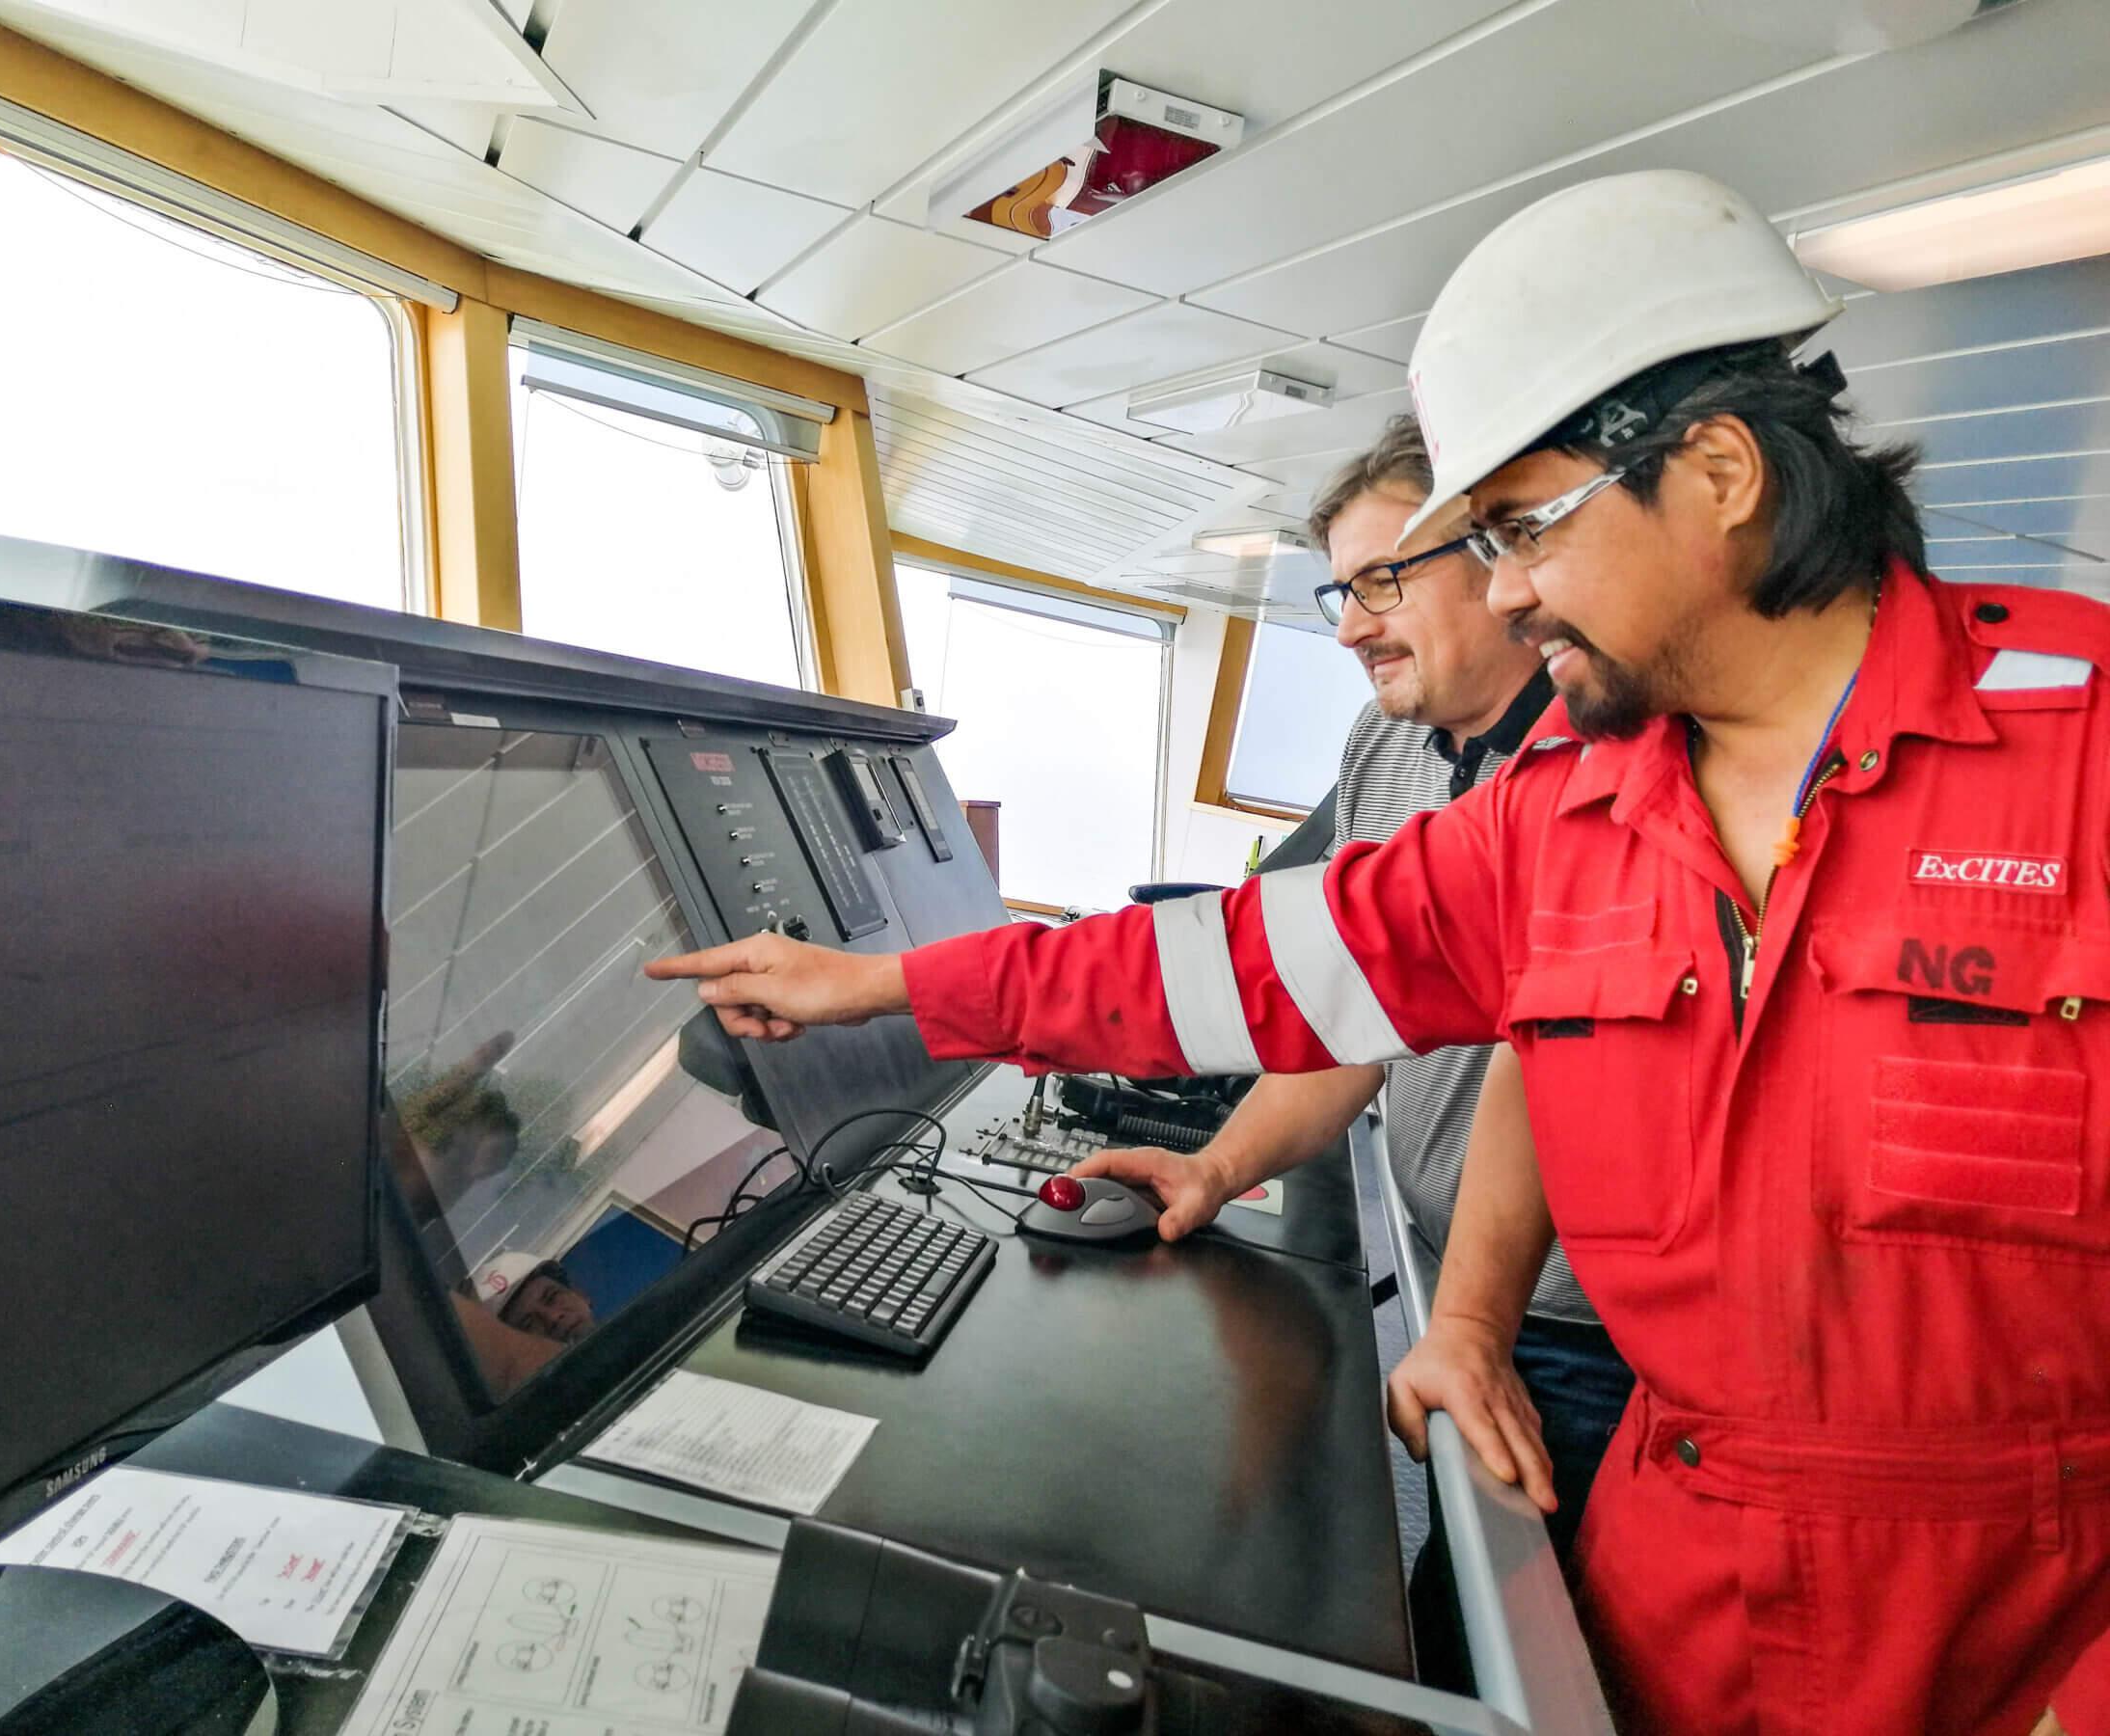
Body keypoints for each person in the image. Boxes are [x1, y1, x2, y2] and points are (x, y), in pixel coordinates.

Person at [646, 168, 2110, 1735]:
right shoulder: (1574, 815)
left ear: (1723, 472)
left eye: (1526, 530)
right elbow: (1246, 966)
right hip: (1668, 1591)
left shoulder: (2080, 752)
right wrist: (889, 986)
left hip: (2020, 1634)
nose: (1515, 588)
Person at [1068, 418, 1633, 1583]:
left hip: (1585, 1331)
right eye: (1340, 590)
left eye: (1382, 580)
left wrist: (1475, 1326)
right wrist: (1215, 1168)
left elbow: (1547, 1051)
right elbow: (1348, 1017)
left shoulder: (1618, 768)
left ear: (1506, 562)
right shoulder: (1386, 750)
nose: (1351, 627)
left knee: (1525, 1647)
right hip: (1447, 1276)